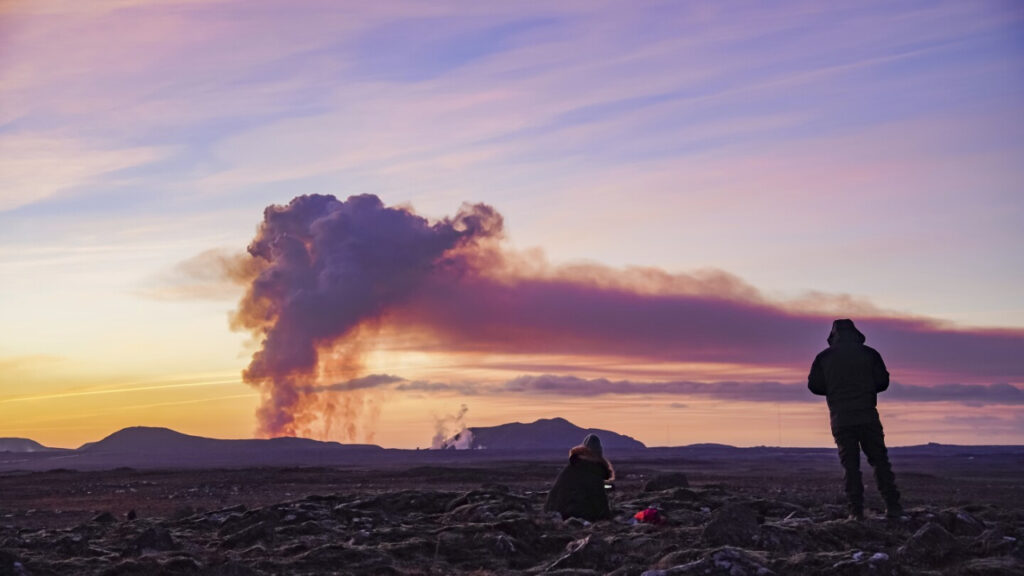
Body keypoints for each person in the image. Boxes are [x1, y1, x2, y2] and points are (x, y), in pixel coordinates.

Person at [809, 319, 903, 520]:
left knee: (850, 466)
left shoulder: (824, 357)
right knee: (880, 461)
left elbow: (814, 386)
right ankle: (893, 507)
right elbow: (883, 382)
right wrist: (865, 388)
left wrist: (835, 389)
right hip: (868, 415)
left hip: (841, 418)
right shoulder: (870, 354)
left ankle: (856, 511)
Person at [543, 433, 615, 521]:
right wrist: (607, 517)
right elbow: (599, 499)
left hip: (559, 513)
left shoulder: (571, 468)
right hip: (580, 515)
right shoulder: (593, 471)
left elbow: (554, 496)